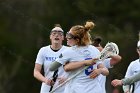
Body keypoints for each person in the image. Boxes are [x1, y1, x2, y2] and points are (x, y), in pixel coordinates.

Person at [49, 21, 109, 93]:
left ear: (77, 40)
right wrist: (99, 69)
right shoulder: (94, 49)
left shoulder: (69, 51)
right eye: (67, 34)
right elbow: (105, 71)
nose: (66, 37)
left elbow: (52, 67)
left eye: (69, 36)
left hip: (76, 90)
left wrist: (100, 70)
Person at [33, 24, 68, 93]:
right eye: (54, 33)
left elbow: (77, 68)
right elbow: (36, 72)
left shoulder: (68, 51)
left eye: (60, 34)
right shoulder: (43, 50)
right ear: (50, 37)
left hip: (64, 88)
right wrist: (45, 80)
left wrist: (67, 78)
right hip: (47, 87)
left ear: (63, 38)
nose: (56, 35)